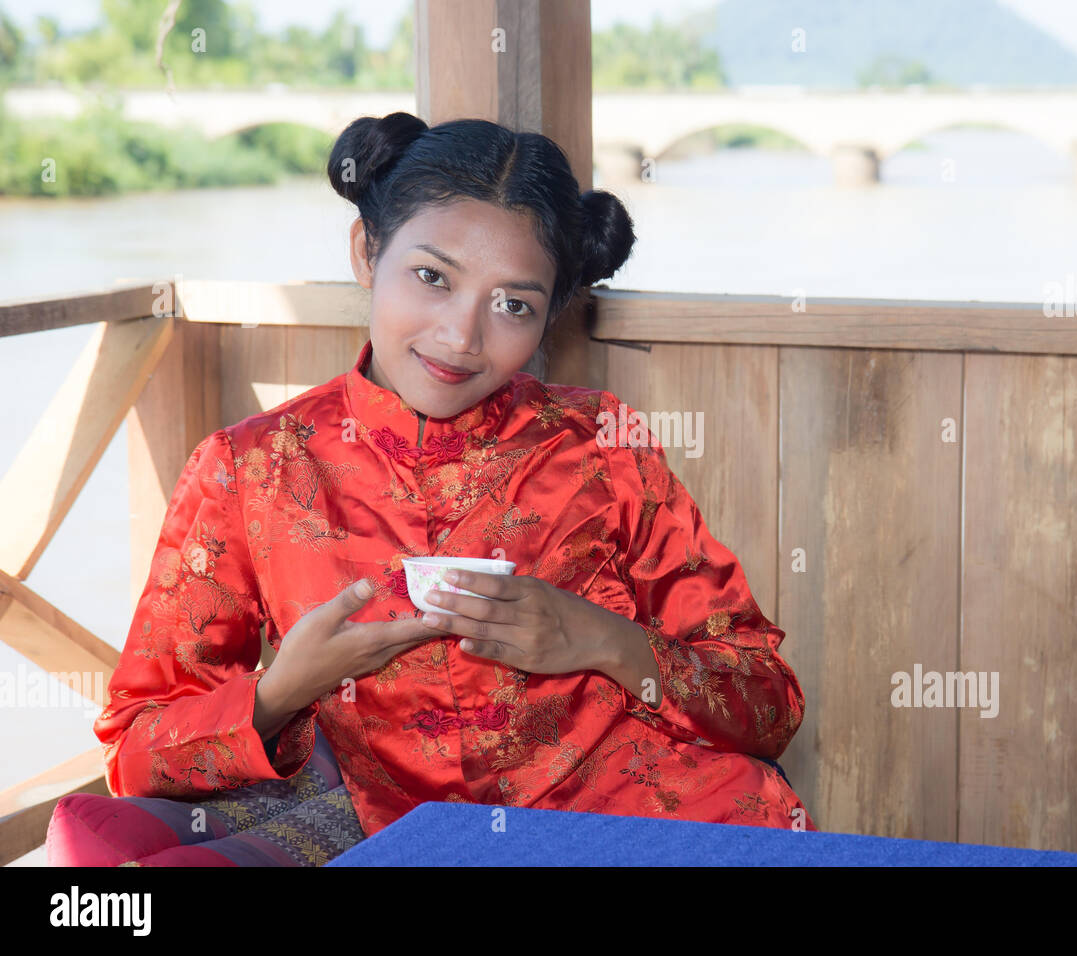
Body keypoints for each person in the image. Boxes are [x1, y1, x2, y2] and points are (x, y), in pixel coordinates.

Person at [93, 112, 818, 838]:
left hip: (631, 818)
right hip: (407, 838)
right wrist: (284, 688)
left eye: (513, 305)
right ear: (366, 253)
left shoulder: (603, 444)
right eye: (432, 277)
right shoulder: (252, 468)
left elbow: (769, 702)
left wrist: (604, 639)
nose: (461, 336)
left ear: (550, 316)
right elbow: (133, 749)